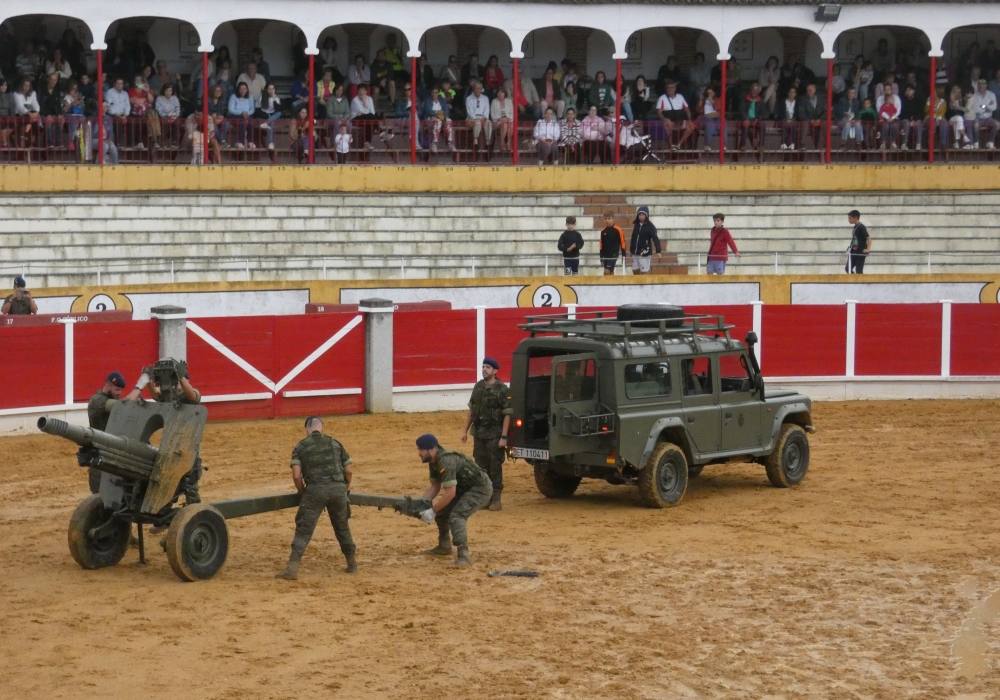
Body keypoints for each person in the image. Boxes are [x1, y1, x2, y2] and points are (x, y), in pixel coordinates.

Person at [277, 416, 357, 580]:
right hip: (338, 489)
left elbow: (297, 475)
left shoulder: (301, 446)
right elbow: (348, 470)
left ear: (307, 429)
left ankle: (292, 569)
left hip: (315, 491)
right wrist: (344, 488)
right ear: (322, 428)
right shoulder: (335, 443)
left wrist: (302, 492)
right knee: (342, 527)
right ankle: (352, 563)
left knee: (304, 530)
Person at [130, 360, 203, 504]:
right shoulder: (171, 395)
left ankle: (193, 511)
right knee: (165, 481)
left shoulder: (190, 394)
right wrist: (149, 379)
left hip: (187, 445)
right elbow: (156, 395)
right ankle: (165, 512)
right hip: (170, 444)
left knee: (189, 484)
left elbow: (193, 396)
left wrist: (181, 377)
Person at [416, 433, 492, 567]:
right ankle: (444, 546)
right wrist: (422, 504)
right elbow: (435, 487)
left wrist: (432, 511)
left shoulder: (446, 461)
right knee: (442, 512)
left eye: (421, 449)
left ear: (431, 449)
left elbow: (450, 493)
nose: (419, 453)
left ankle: (464, 555)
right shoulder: (434, 462)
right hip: (463, 488)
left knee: (457, 516)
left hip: (480, 489)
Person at [460, 357, 511, 510]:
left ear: (495, 371)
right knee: (481, 466)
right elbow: (472, 411)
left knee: (495, 466)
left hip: (495, 434)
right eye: (483, 366)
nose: (484, 369)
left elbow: (507, 414)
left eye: (488, 367)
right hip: (479, 434)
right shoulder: (478, 387)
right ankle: (486, 497)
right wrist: (464, 430)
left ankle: (496, 499)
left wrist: (504, 436)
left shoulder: (502, 389)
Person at [83, 371, 127, 493]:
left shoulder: (109, 399)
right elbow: (122, 406)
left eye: (120, 390)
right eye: (117, 389)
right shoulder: (97, 400)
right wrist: (139, 387)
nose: (119, 393)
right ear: (108, 385)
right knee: (100, 493)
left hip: (110, 451)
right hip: (99, 451)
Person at [628, 205, 661, 275]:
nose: (641, 216)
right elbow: (633, 238)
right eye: (640, 214)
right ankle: (637, 284)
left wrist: (658, 250)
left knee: (644, 272)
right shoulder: (636, 225)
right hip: (635, 253)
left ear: (646, 215)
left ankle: (646, 284)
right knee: (635, 270)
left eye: (643, 214)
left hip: (644, 253)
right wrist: (631, 250)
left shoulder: (650, 226)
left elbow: (655, 238)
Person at [598, 210, 626, 276]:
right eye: (606, 219)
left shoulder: (618, 230)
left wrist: (623, 255)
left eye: (609, 219)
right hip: (605, 255)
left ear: (613, 219)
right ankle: (611, 285)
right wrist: (601, 257)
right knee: (608, 272)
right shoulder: (603, 231)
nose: (607, 220)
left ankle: (609, 284)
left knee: (607, 271)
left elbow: (623, 243)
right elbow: (601, 245)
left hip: (613, 254)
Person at [846, 209, 872, 274]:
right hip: (853, 252)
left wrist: (868, 249)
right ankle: (855, 281)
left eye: (850, 218)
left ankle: (859, 282)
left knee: (859, 271)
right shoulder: (855, 227)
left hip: (860, 252)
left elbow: (868, 238)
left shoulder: (861, 227)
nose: (848, 220)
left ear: (856, 218)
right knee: (847, 269)